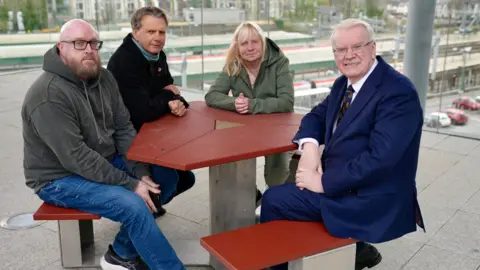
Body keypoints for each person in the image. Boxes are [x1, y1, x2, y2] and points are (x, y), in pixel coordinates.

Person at [259, 18, 426, 270]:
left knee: (274, 199)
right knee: (291, 185)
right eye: (340, 50)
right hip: (346, 183)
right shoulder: (344, 83)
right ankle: (355, 251)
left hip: (369, 196)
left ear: (373, 48)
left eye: (356, 47)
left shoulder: (398, 92)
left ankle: (278, 266)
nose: (348, 56)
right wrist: (311, 148)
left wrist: (323, 182)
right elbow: (316, 116)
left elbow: (380, 159)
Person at [22, 19, 186, 270]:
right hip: (58, 178)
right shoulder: (48, 95)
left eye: (93, 43)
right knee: (134, 205)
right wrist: (131, 184)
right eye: (79, 43)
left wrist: (141, 171)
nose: (88, 49)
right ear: (61, 47)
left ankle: (120, 253)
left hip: (103, 159)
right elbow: (75, 158)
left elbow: (123, 129)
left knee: (164, 177)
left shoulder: (105, 78)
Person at [107, 6, 195, 217]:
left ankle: (147, 206)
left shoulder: (156, 56)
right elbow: (143, 112)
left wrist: (176, 101)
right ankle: (128, 236)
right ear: (136, 32)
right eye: (151, 31)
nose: (158, 38)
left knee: (186, 178)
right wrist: (166, 97)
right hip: (126, 144)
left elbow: (172, 90)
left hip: (153, 137)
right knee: (168, 180)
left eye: (162, 32)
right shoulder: (124, 63)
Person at [204, 21, 295, 204]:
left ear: (262, 42)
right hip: (246, 127)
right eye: (244, 43)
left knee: (277, 168)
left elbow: (286, 102)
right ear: (237, 47)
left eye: (255, 42)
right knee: (229, 158)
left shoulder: (279, 62)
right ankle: (253, 196)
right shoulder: (233, 64)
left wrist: (251, 105)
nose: (250, 48)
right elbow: (212, 95)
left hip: (275, 126)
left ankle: (275, 200)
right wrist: (235, 103)